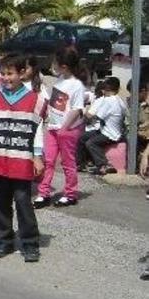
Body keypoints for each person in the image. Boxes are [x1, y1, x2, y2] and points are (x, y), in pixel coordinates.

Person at [0, 53, 47, 262]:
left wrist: (37, 156)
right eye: (3, 74)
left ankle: (29, 243)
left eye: (10, 74)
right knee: (0, 202)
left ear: (22, 74)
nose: (6, 78)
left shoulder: (35, 100)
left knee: (23, 200)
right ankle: (5, 241)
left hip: (22, 159)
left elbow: (37, 130)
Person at [35, 47, 86, 208]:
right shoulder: (59, 81)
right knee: (48, 160)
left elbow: (77, 109)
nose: (53, 66)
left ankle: (70, 193)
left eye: (55, 63)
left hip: (68, 130)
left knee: (67, 162)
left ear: (64, 66)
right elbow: (51, 103)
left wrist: (65, 128)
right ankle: (43, 193)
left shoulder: (77, 85)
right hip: (52, 127)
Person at [78, 77, 126, 175]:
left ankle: (104, 164)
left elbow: (91, 116)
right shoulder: (120, 100)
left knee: (90, 143)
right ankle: (81, 164)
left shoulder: (109, 101)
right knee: (82, 137)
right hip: (112, 131)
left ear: (105, 89)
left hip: (110, 134)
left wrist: (82, 112)